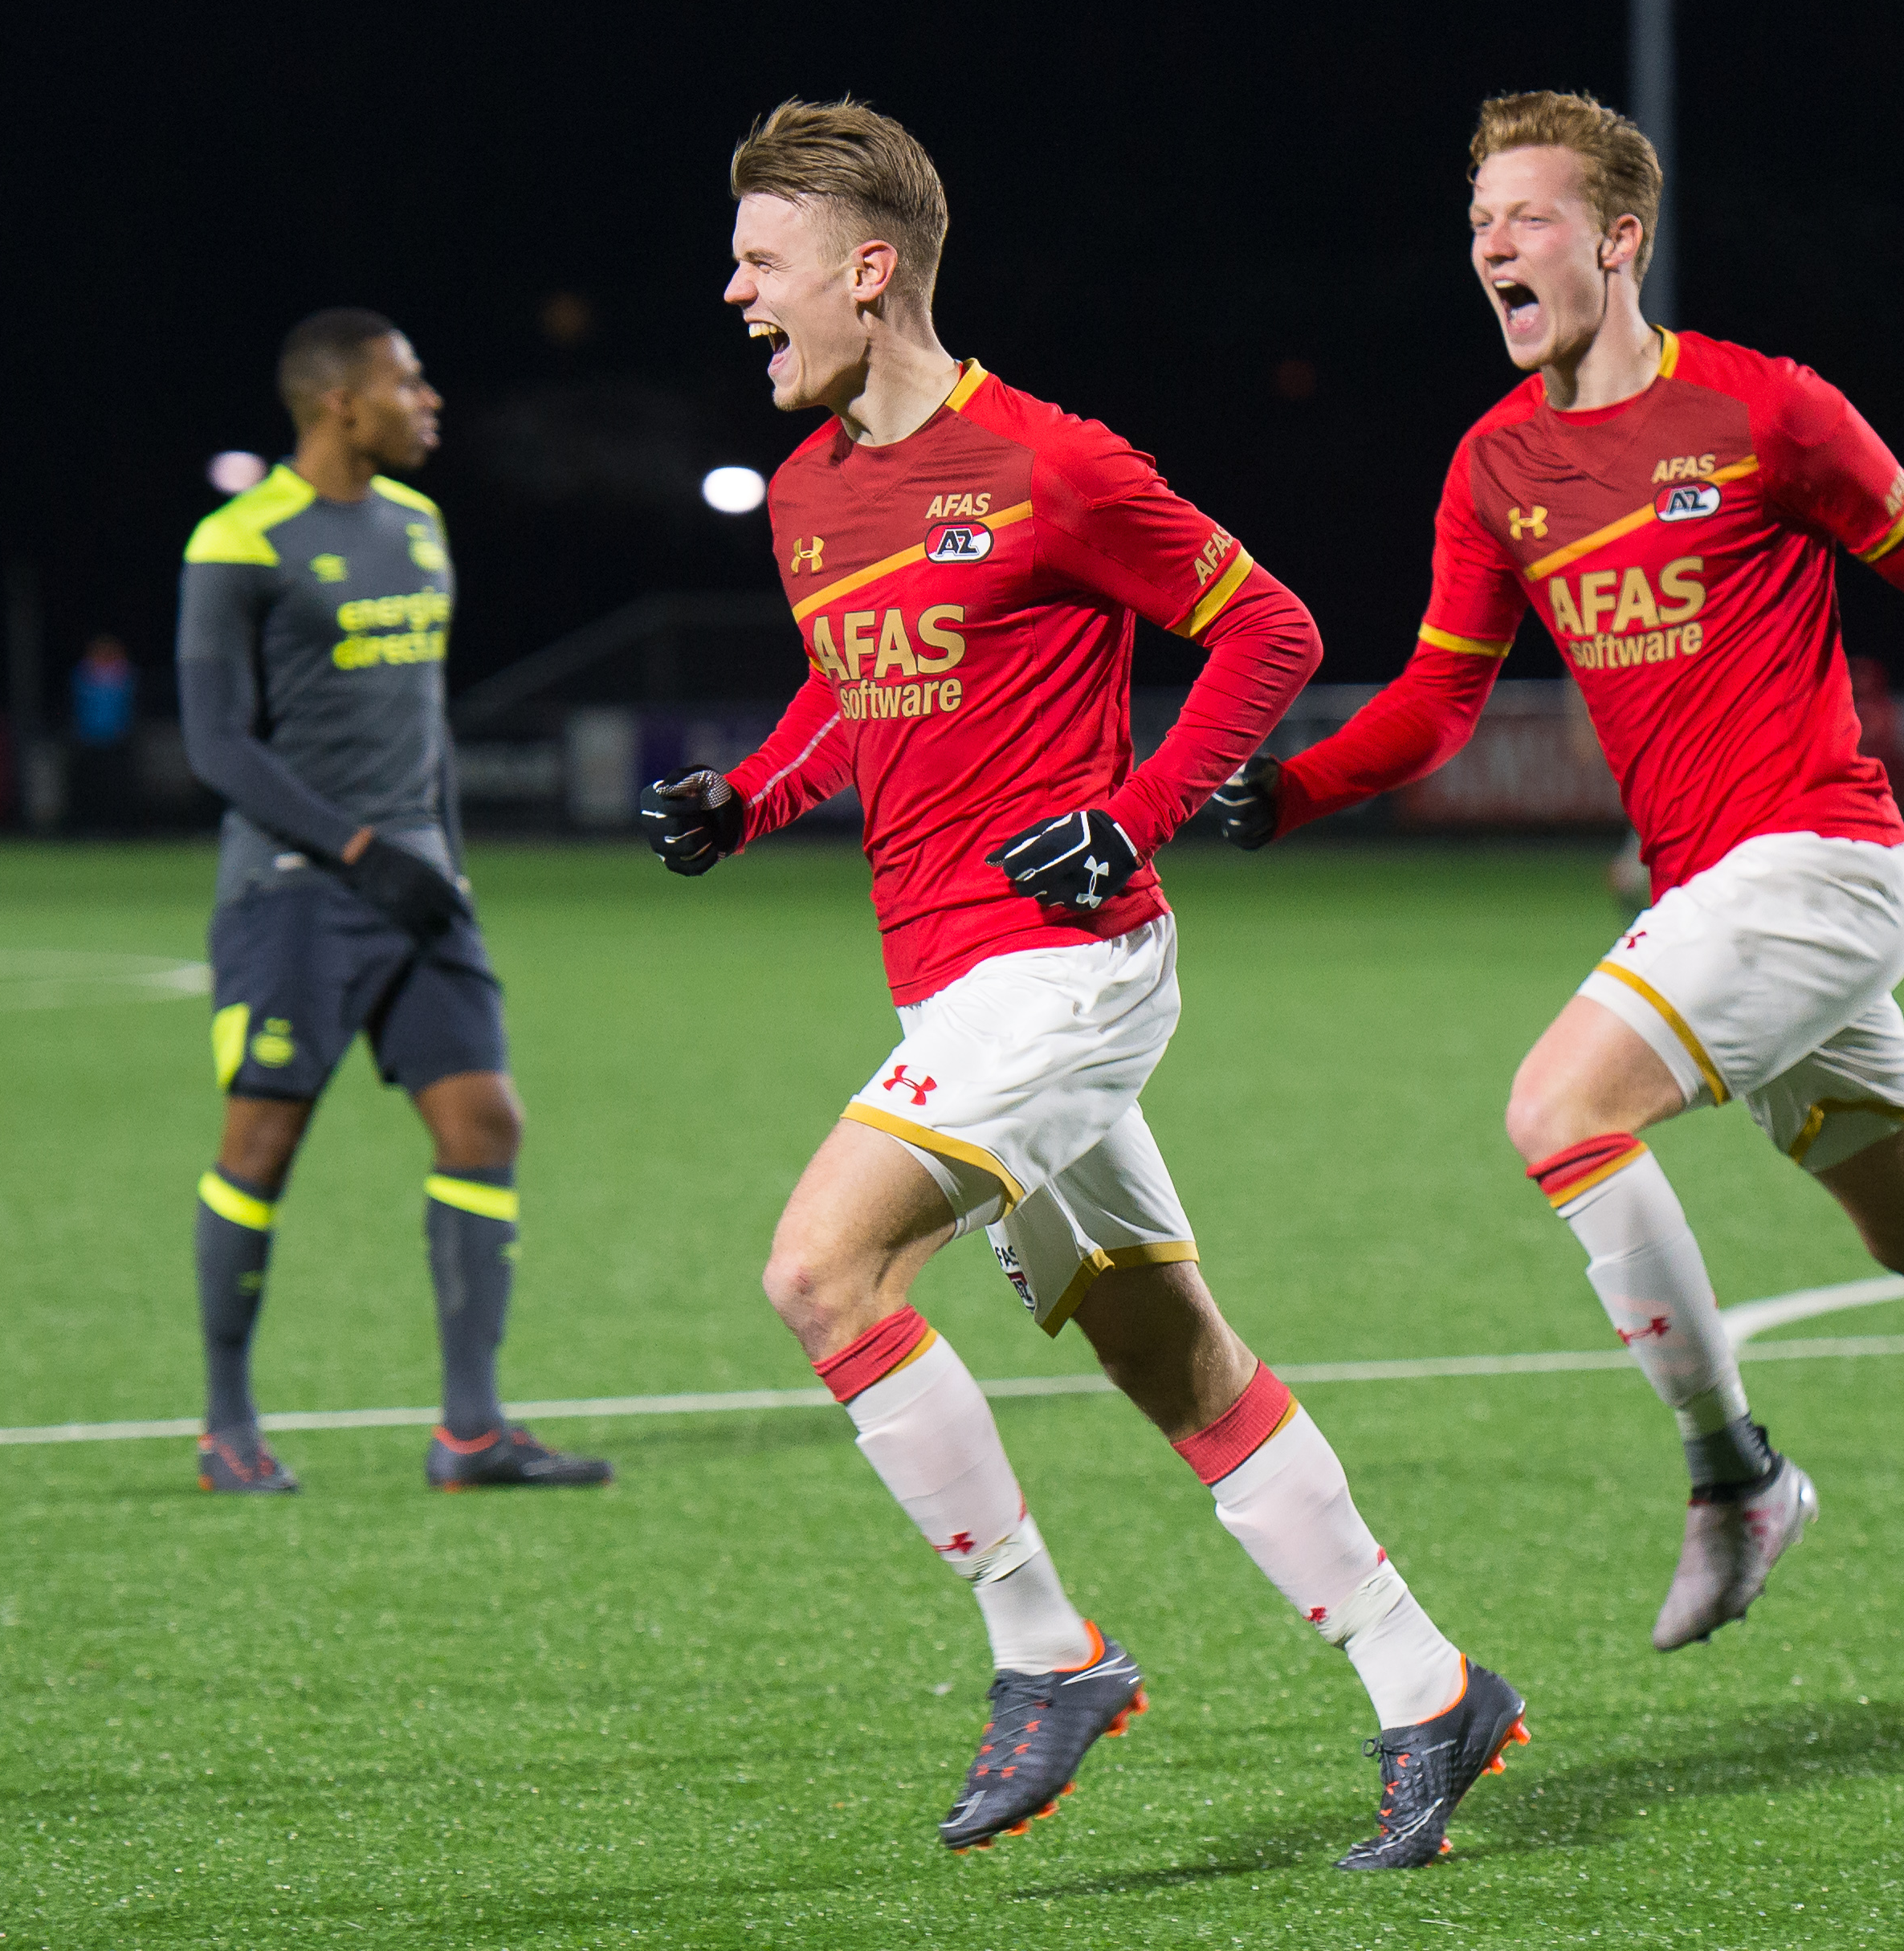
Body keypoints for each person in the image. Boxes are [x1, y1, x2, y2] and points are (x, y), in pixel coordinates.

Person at [1213, 91, 1904, 1651]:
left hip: (1820, 863)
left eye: (1529, 216)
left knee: (1558, 1112)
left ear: (1619, 240)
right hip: (1714, 902)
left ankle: (1735, 1475)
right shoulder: (1494, 464)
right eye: (1480, 221)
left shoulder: (1767, 411)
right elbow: (1435, 702)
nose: (1493, 244)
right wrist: (1290, 791)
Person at [638, 100, 1524, 1868]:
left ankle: (1047, 1647)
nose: (734, 292)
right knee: (1169, 1353)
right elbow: (849, 689)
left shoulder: (1048, 462)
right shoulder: (810, 493)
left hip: (1063, 974)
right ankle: (1430, 1687)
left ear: (868, 269)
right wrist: (753, 797)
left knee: (821, 1270)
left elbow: (1270, 628)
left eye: (759, 259)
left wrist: (1132, 815)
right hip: (952, 989)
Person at [176, 308, 608, 1497]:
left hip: (421, 888)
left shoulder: (419, 524)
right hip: (294, 892)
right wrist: (360, 850)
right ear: (339, 402)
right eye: (407, 383)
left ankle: (471, 1432)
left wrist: (443, 864)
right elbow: (216, 744)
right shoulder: (238, 539)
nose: (429, 402)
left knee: (485, 1124)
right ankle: (225, 1425)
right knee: (261, 1145)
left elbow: (424, 727)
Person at [70, 635, 137, 833]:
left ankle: (118, 827)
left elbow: (127, 706)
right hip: (90, 741)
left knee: (117, 787)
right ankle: (90, 826)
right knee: (91, 787)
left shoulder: (123, 675)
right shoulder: (84, 675)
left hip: (117, 742)